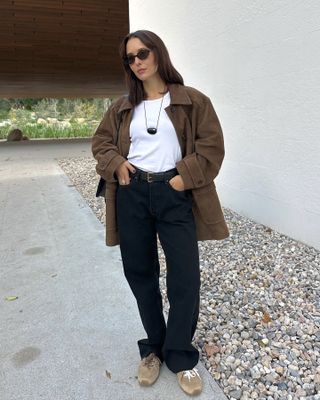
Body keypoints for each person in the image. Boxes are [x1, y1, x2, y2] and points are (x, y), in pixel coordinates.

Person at [92, 30, 229, 396]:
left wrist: (184, 179)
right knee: (140, 273)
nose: (136, 62)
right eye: (129, 58)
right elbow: (101, 142)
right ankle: (154, 347)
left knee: (184, 275)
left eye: (142, 53)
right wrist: (117, 164)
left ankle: (180, 355)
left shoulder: (192, 101)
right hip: (132, 194)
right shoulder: (122, 107)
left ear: (158, 53)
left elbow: (212, 146)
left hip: (173, 193)